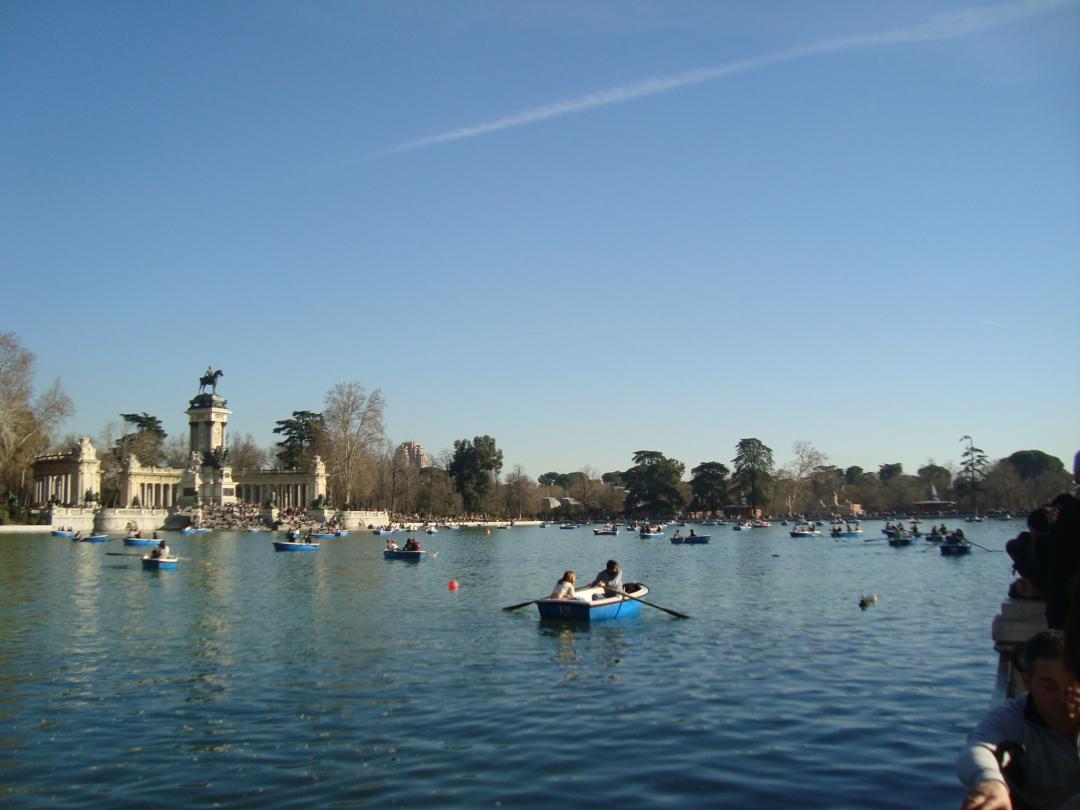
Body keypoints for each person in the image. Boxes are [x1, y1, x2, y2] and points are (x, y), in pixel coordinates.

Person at [956, 629, 1080, 809]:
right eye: (1050, 687)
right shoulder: (1012, 718)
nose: (1063, 698)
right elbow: (977, 747)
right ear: (1027, 682)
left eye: (1073, 686)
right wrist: (991, 781)